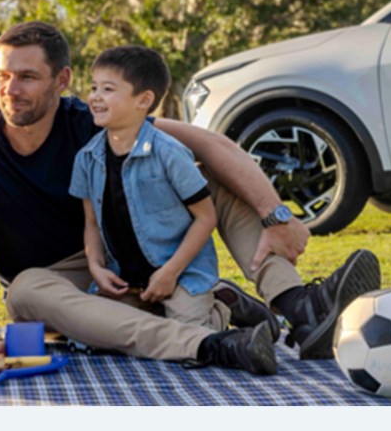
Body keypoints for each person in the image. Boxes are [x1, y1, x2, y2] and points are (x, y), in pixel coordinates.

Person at [0, 21, 381, 365]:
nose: (11, 90)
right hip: (58, 287)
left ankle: (296, 303)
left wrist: (275, 214)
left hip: (128, 263)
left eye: (26, 77)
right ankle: (210, 336)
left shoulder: (92, 121)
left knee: (202, 176)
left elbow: (209, 144)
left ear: (62, 80)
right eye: (3, 76)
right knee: (24, 291)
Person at [72, 45, 276, 374]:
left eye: (108, 90)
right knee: (96, 338)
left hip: (180, 273)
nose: (95, 97)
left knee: (191, 345)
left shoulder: (169, 153)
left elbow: (205, 217)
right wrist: (96, 266)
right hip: (127, 280)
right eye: (93, 87)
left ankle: (220, 307)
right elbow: (92, 224)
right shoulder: (87, 158)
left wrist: (169, 273)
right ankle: (202, 300)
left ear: (144, 101)